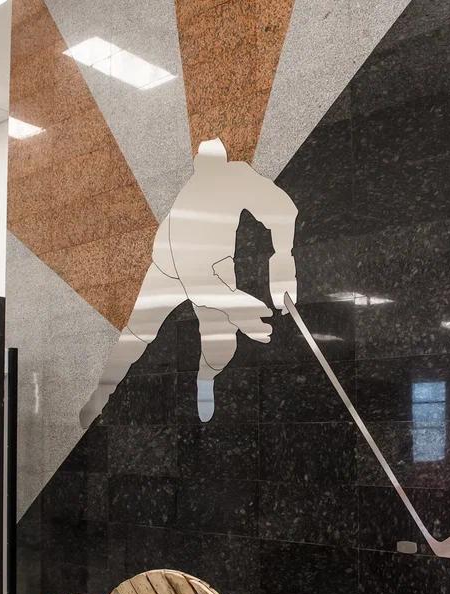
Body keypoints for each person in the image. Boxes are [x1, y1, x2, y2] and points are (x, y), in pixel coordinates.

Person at [80, 137, 298, 427]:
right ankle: (102, 393)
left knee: (221, 348)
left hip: (217, 270)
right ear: (197, 166)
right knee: (135, 337)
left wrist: (283, 259)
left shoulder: (237, 177)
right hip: (168, 272)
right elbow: (192, 276)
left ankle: (205, 378)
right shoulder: (188, 202)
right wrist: (233, 303)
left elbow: (282, 210)